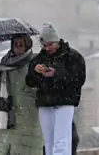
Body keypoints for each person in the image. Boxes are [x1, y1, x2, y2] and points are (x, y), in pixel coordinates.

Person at [26, 23, 86, 155]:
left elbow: (78, 79)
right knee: (48, 141)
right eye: (44, 45)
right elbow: (30, 82)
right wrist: (36, 72)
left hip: (65, 102)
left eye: (50, 45)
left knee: (61, 140)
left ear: (57, 41)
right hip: (45, 103)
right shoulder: (38, 59)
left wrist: (56, 74)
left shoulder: (73, 57)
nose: (47, 48)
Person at [0, 35, 43, 155]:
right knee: (0, 149)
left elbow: (40, 86)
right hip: (6, 115)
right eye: (15, 44)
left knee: (25, 149)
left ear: (27, 45)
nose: (17, 47)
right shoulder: (5, 62)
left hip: (28, 116)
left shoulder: (36, 62)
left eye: (21, 44)